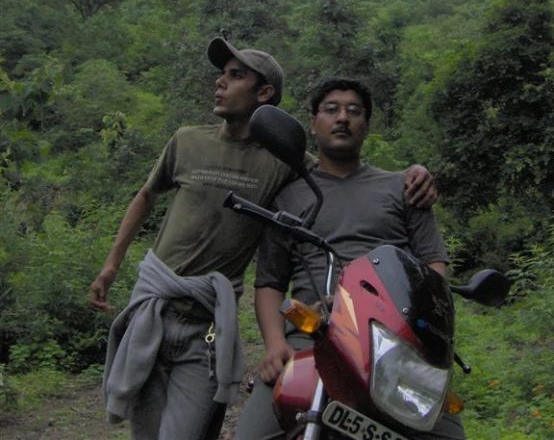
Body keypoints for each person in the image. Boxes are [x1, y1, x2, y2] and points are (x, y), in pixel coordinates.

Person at [89, 41, 437, 440]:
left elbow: (336, 169)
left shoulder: (287, 164)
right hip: (154, 302)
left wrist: (416, 172)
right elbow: (147, 196)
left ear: (264, 92)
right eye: (222, 74)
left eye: (236, 75)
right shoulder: (187, 140)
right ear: (312, 120)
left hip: (207, 320)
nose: (220, 82)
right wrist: (112, 265)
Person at [234, 76, 465, 440]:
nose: (343, 118)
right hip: (312, 332)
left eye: (354, 111)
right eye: (331, 110)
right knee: (256, 432)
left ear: (367, 126)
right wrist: (276, 345)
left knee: (441, 430)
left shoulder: (404, 189)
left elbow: (433, 267)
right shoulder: (289, 197)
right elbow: (269, 284)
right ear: (312, 123)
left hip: (393, 340)